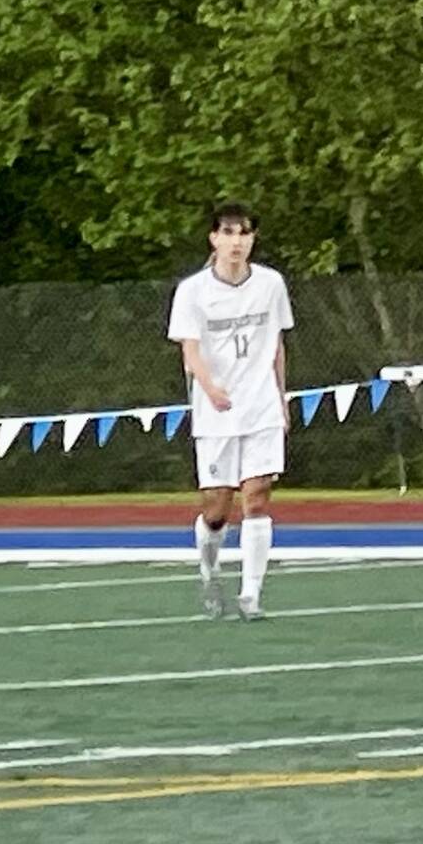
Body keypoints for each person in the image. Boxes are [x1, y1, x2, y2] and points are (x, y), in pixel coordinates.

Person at [166, 203, 295, 621]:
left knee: (256, 498)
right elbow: (189, 350)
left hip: (261, 406)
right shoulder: (192, 292)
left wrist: (281, 397)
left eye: (244, 233)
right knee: (217, 507)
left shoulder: (271, 285)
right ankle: (209, 568)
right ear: (214, 239)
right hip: (217, 411)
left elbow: (276, 345)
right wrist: (210, 388)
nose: (236, 242)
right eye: (228, 233)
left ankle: (251, 594)